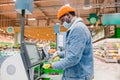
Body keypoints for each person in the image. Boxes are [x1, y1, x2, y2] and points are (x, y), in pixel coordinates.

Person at [43, 5, 94, 80]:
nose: (62, 23)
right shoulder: (76, 28)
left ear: (68, 15)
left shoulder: (78, 29)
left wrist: (52, 65)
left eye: (62, 20)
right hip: (78, 74)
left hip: (79, 76)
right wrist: (59, 54)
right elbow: (73, 52)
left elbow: (73, 58)